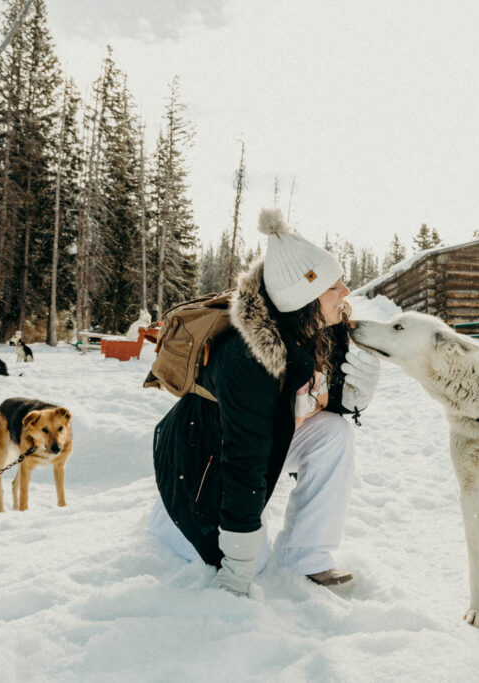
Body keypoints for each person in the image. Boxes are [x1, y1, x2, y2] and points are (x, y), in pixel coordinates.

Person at [149, 208, 380, 595]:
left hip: (262, 440)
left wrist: (355, 399)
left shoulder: (324, 325)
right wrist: (237, 564)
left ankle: (307, 556)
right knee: (250, 565)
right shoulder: (249, 357)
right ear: (304, 299)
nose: (345, 293)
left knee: (334, 434)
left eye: (342, 282)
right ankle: (169, 519)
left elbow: (325, 397)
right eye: (333, 286)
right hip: (201, 456)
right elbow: (245, 457)